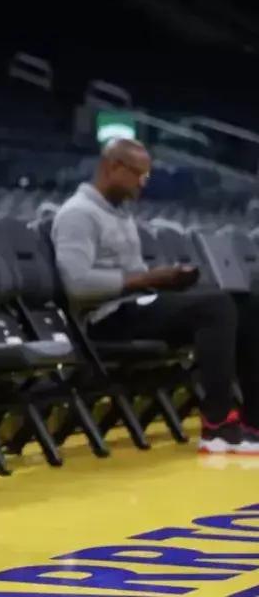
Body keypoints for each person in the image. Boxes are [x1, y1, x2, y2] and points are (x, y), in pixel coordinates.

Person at [51, 138, 259, 455]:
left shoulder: (119, 214)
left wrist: (168, 280)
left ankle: (253, 424)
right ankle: (218, 426)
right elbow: (77, 285)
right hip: (104, 319)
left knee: (246, 305)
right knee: (215, 307)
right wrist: (147, 279)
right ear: (113, 167)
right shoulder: (78, 214)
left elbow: (136, 277)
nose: (143, 183)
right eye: (139, 174)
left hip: (135, 306)